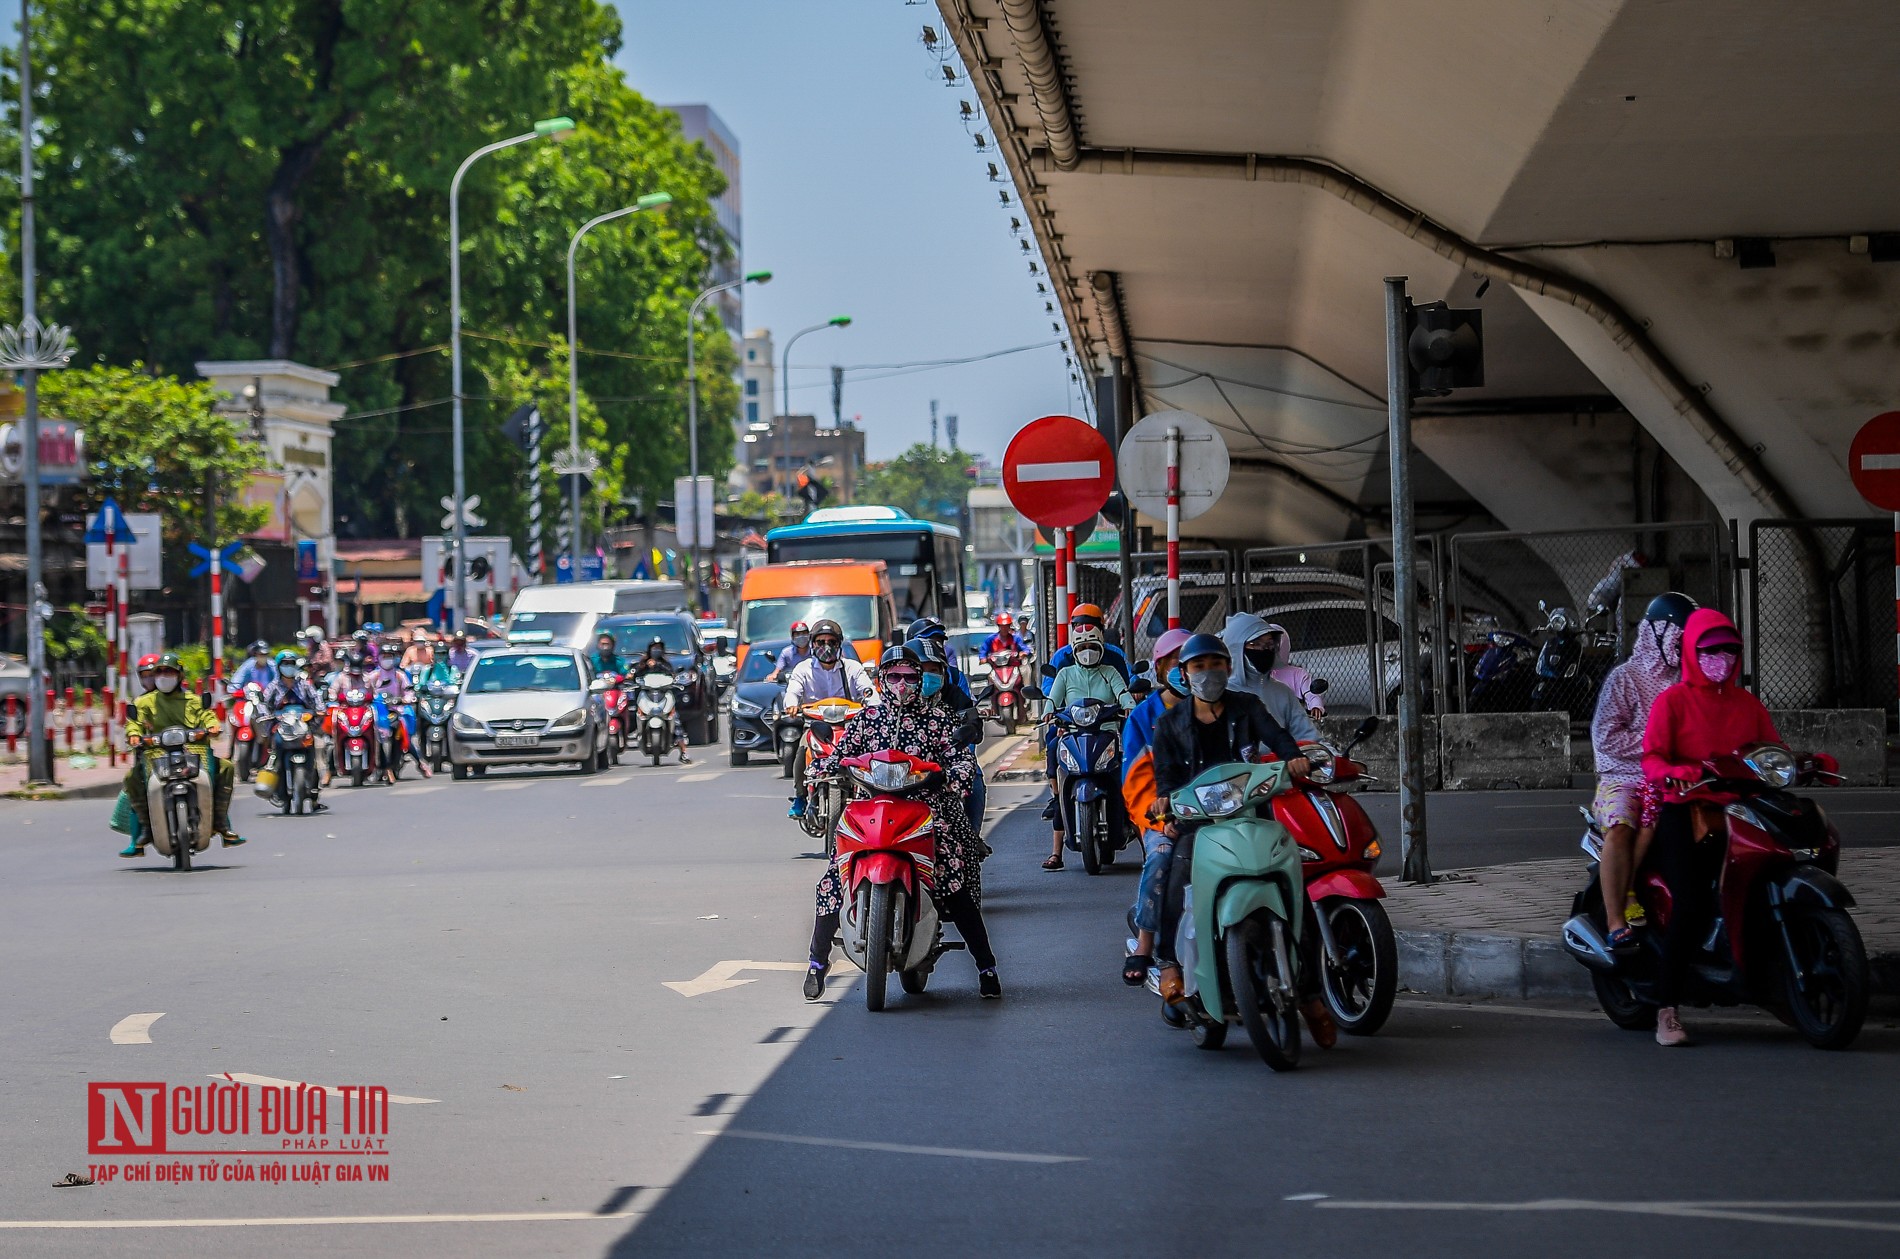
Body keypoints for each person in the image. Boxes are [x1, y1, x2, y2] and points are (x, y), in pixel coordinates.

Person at [1147, 635, 1333, 1044]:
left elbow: (1279, 737)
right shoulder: (1169, 724)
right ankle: (1168, 963)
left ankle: (1310, 994)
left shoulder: (1248, 707)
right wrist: (1166, 804)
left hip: (1254, 816)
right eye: (1198, 666)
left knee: (1298, 886)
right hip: (1200, 825)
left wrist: (1295, 759)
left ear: (1229, 669)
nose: (1208, 673)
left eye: (1216, 664)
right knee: (1171, 870)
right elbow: (1166, 777)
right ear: (1184, 674)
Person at [802, 645, 999, 1001]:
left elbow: (961, 760)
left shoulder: (939, 719)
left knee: (954, 880)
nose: (902, 684)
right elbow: (841, 754)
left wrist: (950, 776)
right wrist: (828, 766)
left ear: (920, 680)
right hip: (870, 810)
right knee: (834, 877)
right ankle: (817, 962)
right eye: (894, 677)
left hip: (926, 810)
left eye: (910, 677)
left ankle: (986, 967)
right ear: (881, 680)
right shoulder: (866, 719)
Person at [1640, 608, 1779, 1048]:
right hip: (1687, 809)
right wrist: (1676, 772)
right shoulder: (1672, 702)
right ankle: (1667, 1010)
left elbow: (1772, 749)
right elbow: (1652, 758)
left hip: (1740, 808)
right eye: (1710, 650)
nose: (1721, 658)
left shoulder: (1747, 704)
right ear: (1691, 652)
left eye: (1729, 651)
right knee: (1694, 901)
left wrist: (1807, 762)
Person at [1590, 592, 1694, 948]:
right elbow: (1605, 738)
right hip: (1623, 778)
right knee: (1622, 827)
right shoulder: (1625, 678)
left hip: (1676, 777)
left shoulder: (1688, 681)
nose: (1683, 648)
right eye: (1678, 639)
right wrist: (1656, 742)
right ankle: (1615, 917)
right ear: (1658, 634)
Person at [1119, 627, 1193, 984]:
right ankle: (1145, 945)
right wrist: (1160, 818)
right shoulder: (1142, 717)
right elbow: (1136, 783)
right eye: (1178, 663)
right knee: (1162, 858)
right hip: (1165, 817)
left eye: (1193, 663)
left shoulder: (1218, 708)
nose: (1187, 670)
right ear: (1161, 669)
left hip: (1218, 811)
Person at [121, 653, 243, 857]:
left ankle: (220, 821)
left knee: (226, 768)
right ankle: (145, 826)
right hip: (156, 752)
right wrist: (134, 735)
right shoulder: (144, 702)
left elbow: (207, 716)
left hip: (193, 750)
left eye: (169, 671)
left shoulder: (193, 700)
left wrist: (212, 727)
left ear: (179, 675)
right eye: (159, 672)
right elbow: (135, 723)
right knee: (131, 778)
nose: (163, 676)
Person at [1041, 614, 1136, 870]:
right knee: (1054, 754)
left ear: (1101, 648)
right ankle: (1056, 846)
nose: (1087, 652)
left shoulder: (1110, 671)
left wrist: (1129, 706)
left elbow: (1123, 693)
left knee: (1130, 775)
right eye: (1082, 647)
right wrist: (1049, 711)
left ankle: (1143, 835)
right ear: (1074, 649)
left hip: (1107, 733)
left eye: (1092, 647)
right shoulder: (1065, 674)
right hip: (1073, 734)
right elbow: (1053, 699)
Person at [781, 619, 876, 817]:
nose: (826, 646)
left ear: (839, 644)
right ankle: (800, 796)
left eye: (832, 642)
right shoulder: (803, 669)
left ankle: (870, 794)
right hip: (816, 727)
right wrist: (791, 705)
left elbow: (868, 691)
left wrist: (875, 705)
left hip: (849, 727)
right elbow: (793, 692)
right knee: (802, 750)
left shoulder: (852, 668)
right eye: (821, 642)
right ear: (812, 645)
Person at [1218, 611, 1322, 742]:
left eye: (1269, 644)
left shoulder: (1283, 692)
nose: (1265, 649)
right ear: (1236, 649)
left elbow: (1309, 736)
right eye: (1256, 644)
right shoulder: (1221, 694)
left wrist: (1332, 757)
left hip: (1281, 761)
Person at [261, 652, 327, 813]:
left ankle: (314, 794)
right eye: (285, 663)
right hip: (281, 729)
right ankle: (279, 792)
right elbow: (264, 705)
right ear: (279, 666)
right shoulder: (273, 686)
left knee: (315, 756)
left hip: (303, 729)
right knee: (275, 758)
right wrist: (267, 716)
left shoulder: (304, 684)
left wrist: (319, 712)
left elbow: (317, 702)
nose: (289, 667)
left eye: (291, 663)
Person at [1037, 604, 1131, 696]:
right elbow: (1048, 686)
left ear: (1100, 630)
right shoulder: (1062, 656)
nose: (1085, 632)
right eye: (1080, 627)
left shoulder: (1116, 654)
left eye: (1090, 628)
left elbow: (1130, 676)